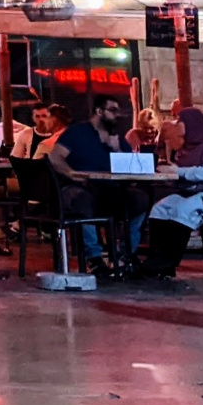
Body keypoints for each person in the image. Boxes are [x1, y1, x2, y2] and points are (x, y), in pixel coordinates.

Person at [49, 97, 147, 276]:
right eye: (113, 110)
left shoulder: (116, 137)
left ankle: (126, 255)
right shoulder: (78, 132)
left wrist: (117, 149)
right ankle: (94, 258)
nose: (117, 115)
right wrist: (70, 173)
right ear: (99, 111)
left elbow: (132, 168)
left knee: (140, 199)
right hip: (80, 186)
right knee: (82, 200)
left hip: (109, 189)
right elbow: (55, 157)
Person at [143, 108, 203, 276]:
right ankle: (159, 260)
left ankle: (168, 260)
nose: (177, 124)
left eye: (180, 121)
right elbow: (187, 176)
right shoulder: (187, 149)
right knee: (161, 207)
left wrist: (177, 172)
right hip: (201, 192)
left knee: (185, 208)